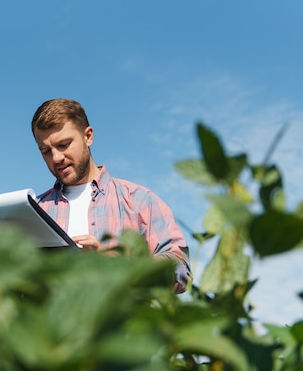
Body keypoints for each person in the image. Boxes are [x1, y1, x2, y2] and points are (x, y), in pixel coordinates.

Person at [31, 98, 192, 293]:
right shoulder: (35, 211)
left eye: (64, 144)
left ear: (88, 136)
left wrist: (121, 265)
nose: (56, 157)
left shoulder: (139, 201)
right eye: (46, 151)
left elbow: (181, 268)